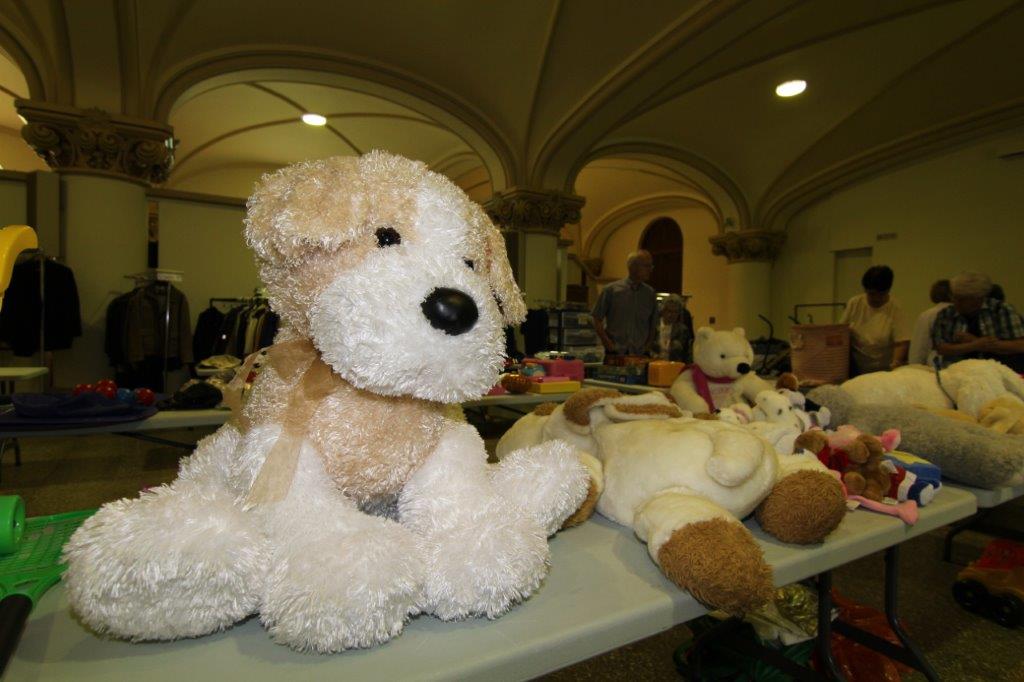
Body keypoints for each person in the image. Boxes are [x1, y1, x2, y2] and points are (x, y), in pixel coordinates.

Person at [932, 272, 1024, 372]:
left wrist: (975, 341)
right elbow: (941, 348)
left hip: (998, 372)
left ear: (979, 298)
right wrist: (975, 344)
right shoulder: (946, 314)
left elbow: (1020, 345)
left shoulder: (1001, 310)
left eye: (963, 299)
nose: (956, 302)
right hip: (958, 373)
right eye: (954, 297)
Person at [839, 265, 910, 375]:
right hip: (856, 367)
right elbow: (841, 332)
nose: (876, 298)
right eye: (871, 294)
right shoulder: (855, 303)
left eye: (881, 294)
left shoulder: (895, 308)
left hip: (883, 370)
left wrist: (895, 365)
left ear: (888, 290)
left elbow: (902, 342)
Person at [592, 250, 658, 356]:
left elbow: (653, 323)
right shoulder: (611, 290)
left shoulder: (649, 294)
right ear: (633, 267)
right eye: (647, 266)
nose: (650, 270)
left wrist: (647, 346)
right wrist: (608, 343)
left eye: (651, 266)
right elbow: (596, 318)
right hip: (616, 351)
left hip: (640, 353)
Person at [908, 279, 951, 365]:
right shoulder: (964, 313)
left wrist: (914, 367)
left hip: (934, 368)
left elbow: (919, 348)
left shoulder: (928, 315)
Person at [653, 294, 694, 362]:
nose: (672, 315)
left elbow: (687, 354)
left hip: (674, 367)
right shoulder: (653, 327)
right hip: (655, 365)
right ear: (663, 310)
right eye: (669, 311)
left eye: (675, 312)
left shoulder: (683, 330)